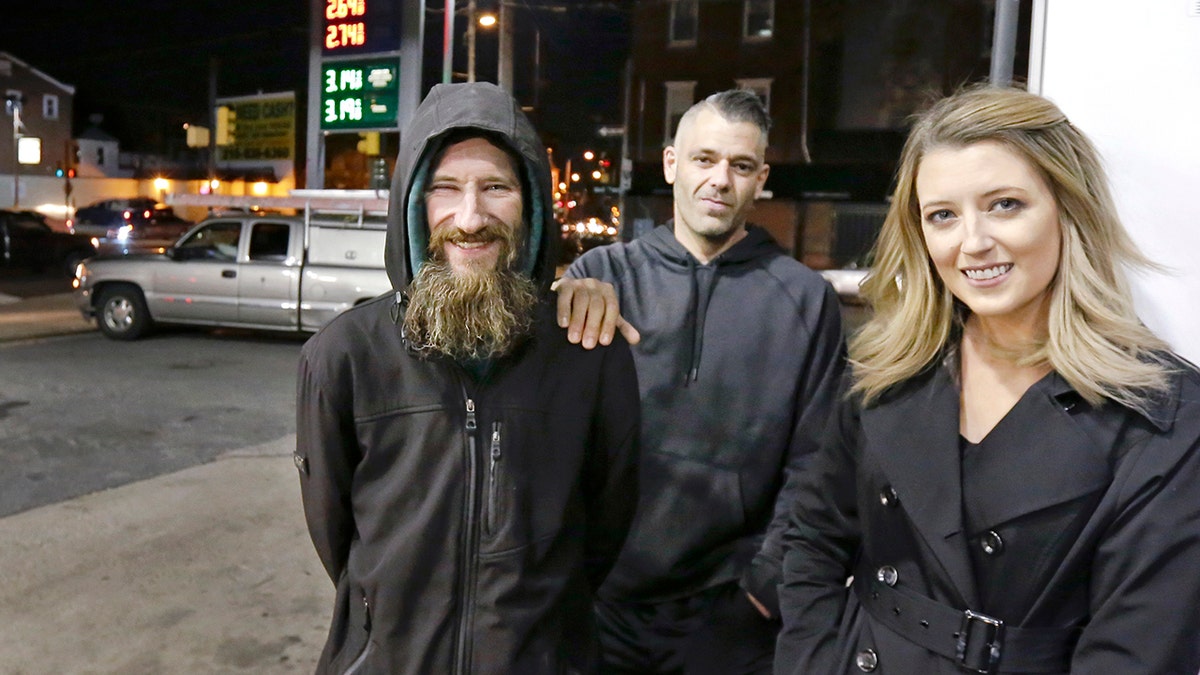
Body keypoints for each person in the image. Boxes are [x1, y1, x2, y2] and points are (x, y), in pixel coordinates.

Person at [776, 84, 1200, 674]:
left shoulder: (1165, 413)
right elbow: (813, 541)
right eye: (943, 215)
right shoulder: (887, 368)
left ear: (1067, 208)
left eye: (1005, 204)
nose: (972, 243)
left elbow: (1140, 650)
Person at [295, 82, 641, 674]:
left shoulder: (589, 353)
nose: (471, 218)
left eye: (497, 188)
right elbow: (336, 535)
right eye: (444, 189)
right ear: (413, 203)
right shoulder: (343, 355)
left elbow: (605, 527)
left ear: (531, 203)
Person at [558, 89, 846, 673]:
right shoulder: (601, 278)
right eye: (703, 159)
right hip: (599, 604)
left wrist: (760, 595)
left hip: (728, 614)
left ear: (760, 178)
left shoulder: (805, 300)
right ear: (671, 164)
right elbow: (552, 440)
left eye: (740, 166)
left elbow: (816, 465)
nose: (720, 180)